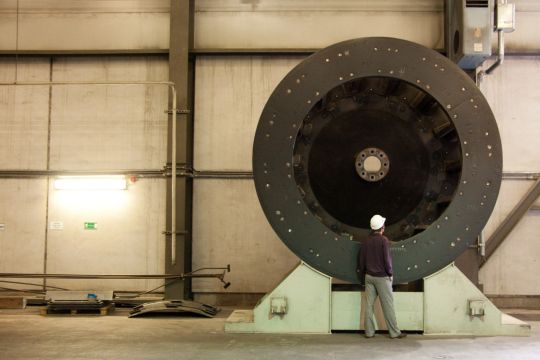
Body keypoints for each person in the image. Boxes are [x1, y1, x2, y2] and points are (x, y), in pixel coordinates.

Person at [357, 214, 406, 339]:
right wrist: (390, 273)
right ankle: (394, 333)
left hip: (369, 277)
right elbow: (387, 260)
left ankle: (369, 332)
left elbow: (361, 261)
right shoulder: (384, 240)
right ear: (382, 227)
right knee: (388, 305)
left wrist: (363, 276)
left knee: (368, 305)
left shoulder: (365, 241)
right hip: (382, 277)